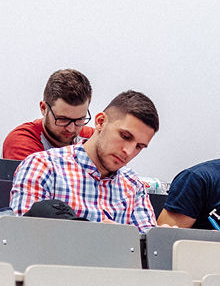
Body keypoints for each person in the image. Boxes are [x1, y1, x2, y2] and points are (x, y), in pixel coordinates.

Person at [6, 90, 160, 232]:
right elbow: (21, 239)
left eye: (139, 147)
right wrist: (96, 238)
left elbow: (147, 250)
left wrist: (160, 240)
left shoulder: (134, 185)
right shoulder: (42, 167)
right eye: (125, 136)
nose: (129, 151)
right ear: (100, 122)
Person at [4, 69, 96, 160]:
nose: (71, 128)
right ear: (43, 108)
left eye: (79, 119)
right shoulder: (21, 141)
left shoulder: (91, 137)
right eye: (63, 119)